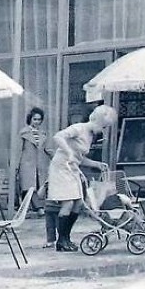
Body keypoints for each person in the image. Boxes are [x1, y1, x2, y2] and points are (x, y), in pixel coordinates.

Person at [47, 105, 116, 252]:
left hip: (72, 169)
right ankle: (61, 241)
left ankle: (66, 238)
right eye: (104, 126)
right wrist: (68, 152)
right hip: (61, 168)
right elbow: (58, 136)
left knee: (78, 203)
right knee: (68, 203)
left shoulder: (90, 136)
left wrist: (96, 164)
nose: (104, 130)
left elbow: (80, 158)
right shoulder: (79, 128)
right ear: (97, 120)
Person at [18, 107, 51, 216]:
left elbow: (48, 149)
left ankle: (26, 209)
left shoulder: (43, 134)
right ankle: (39, 208)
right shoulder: (23, 133)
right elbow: (18, 150)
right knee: (29, 187)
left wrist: (57, 157)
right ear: (30, 119)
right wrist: (15, 166)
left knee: (38, 186)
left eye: (39, 119)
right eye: (35, 119)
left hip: (40, 164)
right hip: (26, 164)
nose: (37, 122)